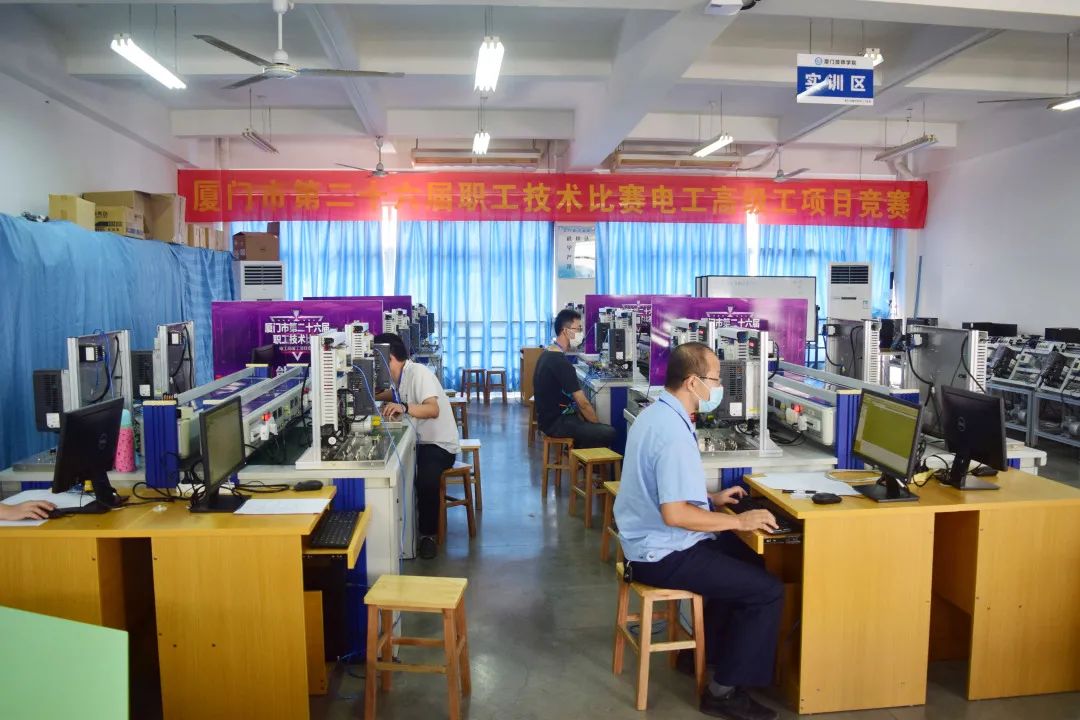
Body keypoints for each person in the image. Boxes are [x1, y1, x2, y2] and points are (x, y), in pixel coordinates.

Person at [614, 342, 782, 720]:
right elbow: (675, 514)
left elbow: (663, 490)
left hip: (650, 541)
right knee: (766, 590)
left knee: (747, 564)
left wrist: (711, 498)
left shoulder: (658, 415)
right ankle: (723, 693)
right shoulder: (672, 433)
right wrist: (739, 521)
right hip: (661, 553)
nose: (718, 387)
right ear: (693, 382)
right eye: (715, 379)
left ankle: (706, 658)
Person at [373, 332, 460, 560]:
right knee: (401, 467)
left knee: (425, 480)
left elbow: (432, 409)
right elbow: (394, 393)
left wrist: (403, 407)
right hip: (420, 440)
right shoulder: (400, 376)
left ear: (388, 358)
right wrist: (367, 394)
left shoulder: (418, 372)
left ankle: (427, 535)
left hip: (438, 444)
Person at [532, 308, 616, 449]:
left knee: (584, 418)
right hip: (555, 424)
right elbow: (583, 403)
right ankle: (580, 454)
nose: (581, 333)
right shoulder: (561, 363)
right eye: (578, 329)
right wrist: (597, 428)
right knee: (608, 432)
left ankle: (576, 451)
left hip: (545, 419)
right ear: (566, 331)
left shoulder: (547, 353)